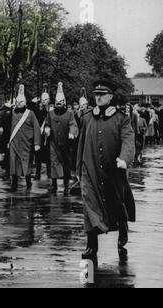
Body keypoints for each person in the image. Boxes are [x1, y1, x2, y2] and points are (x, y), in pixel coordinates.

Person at [77, 80, 136, 265]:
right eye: (96, 94)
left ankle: (123, 229)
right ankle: (91, 245)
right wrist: (78, 168)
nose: (98, 97)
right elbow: (81, 143)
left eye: (102, 94)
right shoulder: (87, 117)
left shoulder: (121, 118)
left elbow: (128, 140)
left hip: (114, 170)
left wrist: (124, 159)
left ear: (110, 96)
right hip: (90, 169)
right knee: (89, 204)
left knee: (117, 203)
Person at [44, 82, 79, 195]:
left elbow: (73, 125)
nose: (59, 104)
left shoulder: (69, 114)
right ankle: (53, 184)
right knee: (53, 163)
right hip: (54, 142)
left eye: (61, 102)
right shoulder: (50, 113)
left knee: (66, 163)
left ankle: (66, 185)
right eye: (57, 102)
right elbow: (47, 123)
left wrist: (72, 133)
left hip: (66, 143)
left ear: (64, 102)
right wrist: (47, 129)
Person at [8, 85, 41, 192]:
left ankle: (28, 181)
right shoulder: (11, 113)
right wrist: (5, 106)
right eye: (17, 101)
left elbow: (36, 128)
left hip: (27, 143)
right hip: (14, 142)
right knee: (13, 162)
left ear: (26, 103)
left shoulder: (30, 114)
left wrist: (37, 143)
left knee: (26, 162)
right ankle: (14, 183)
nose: (19, 103)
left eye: (21, 101)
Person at [34, 86, 51, 181]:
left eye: (45, 99)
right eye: (42, 99)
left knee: (48, 157)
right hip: (40, 135)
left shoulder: (50, 111)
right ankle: (37, 173)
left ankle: (49, 173)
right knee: (38, 156)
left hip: (48, 136)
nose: (44, 101)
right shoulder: (38, 111)